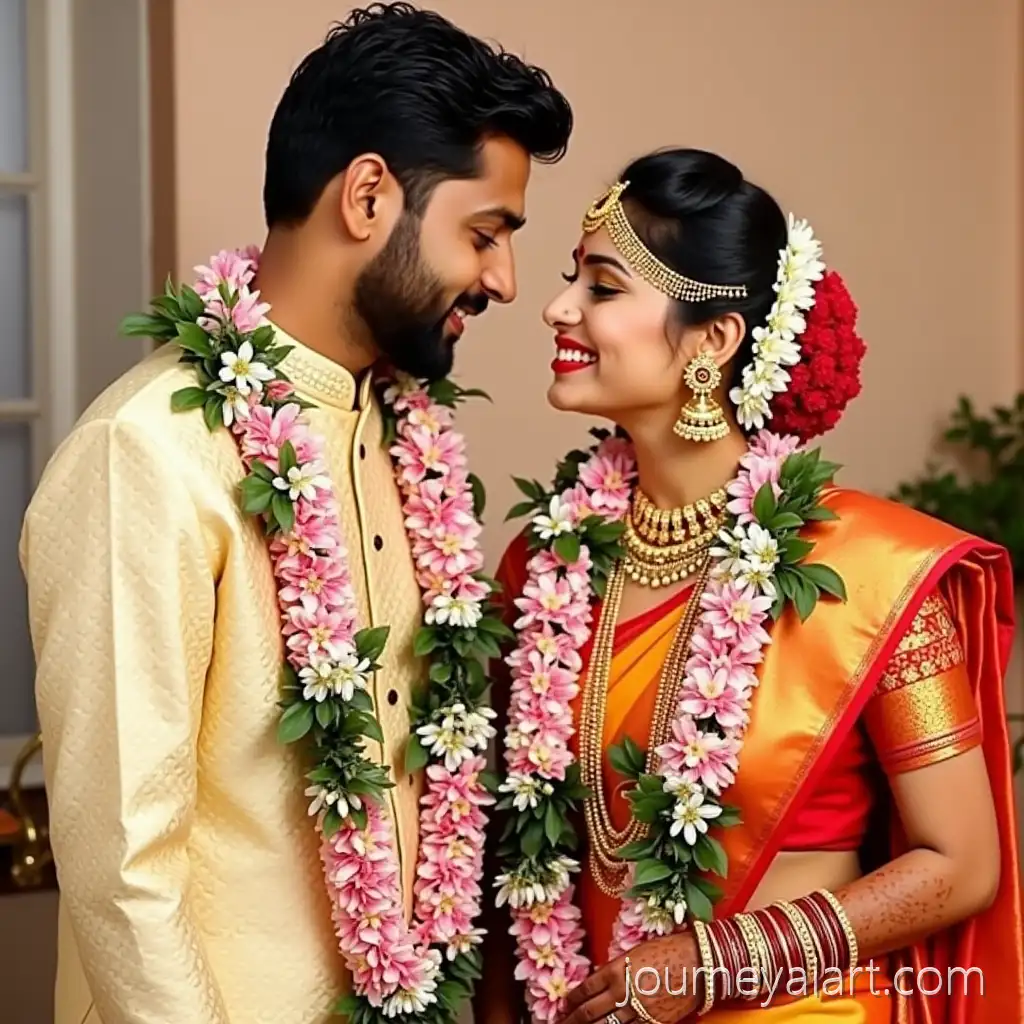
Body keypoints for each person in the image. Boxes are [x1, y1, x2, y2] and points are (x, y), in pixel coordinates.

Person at [19, 5, 572, 1023]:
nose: (502, 279)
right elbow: (122, 872)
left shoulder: (403, 436)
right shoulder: (144, 454)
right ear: (367, 195)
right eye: (483, 232)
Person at [478, 148, 1023, 1024]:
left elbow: (960, 864)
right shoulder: (545, 571)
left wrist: (719, 961)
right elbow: (521, 863)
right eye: (570, 278)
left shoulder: (870, 574)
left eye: (604, 287)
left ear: (715, 339)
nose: (557, 308)